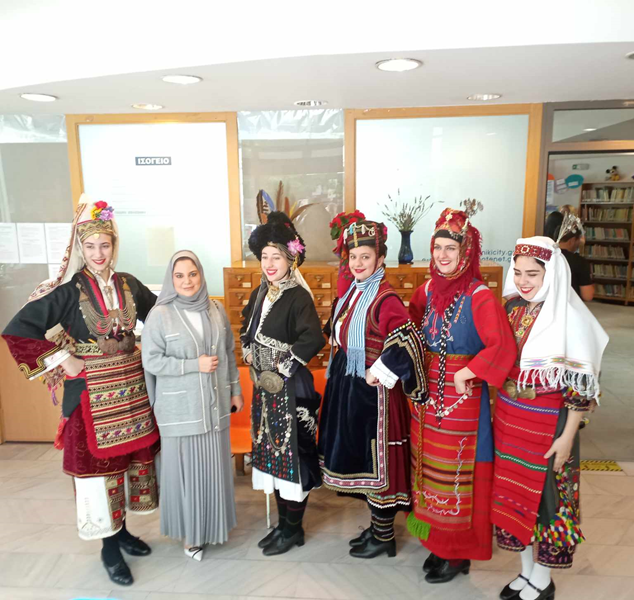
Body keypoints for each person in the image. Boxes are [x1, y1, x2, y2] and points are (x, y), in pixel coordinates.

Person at [2, 197, 160, 586]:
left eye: (104, 245)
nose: (98, 253)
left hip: (131, 392)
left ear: (114, 245)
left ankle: (123, 532)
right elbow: (18, 329)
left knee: (126, 465)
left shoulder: (129, 284)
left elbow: (160, 315)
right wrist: (62, 359)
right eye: (90, 246)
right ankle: (109, 548)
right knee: (97, 474)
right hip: (90, 396)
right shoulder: (70, 291)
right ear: (80, 248)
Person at [492, 236, 608, 600]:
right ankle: (526, 572)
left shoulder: (568, 316)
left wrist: (567, 437)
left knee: (548, 499)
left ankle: (543, 578)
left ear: (551, 274)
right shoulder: (511, 307)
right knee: (513, 494)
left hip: (551, 423)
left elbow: (580, 388)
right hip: (510, 417)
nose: (523, 281)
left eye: (533, 274)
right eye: (518, 272)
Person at [406, 207, 517, 583]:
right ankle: (435, 544)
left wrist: (468, 371)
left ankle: (457, 555)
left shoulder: (480, 295)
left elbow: (501, 345)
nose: (442, 255)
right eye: (437, 248)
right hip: (426, 401)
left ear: (466, 252)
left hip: (461, 400)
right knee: (426, 471)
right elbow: (410, 331)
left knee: (454, 475)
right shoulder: (426, 290)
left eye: (450, 248)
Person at [318, 218, 427, 559]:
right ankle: (376, 529)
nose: (358, 263)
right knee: (363, 461)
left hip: (374, 396)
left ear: (380, 259)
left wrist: (379, 371)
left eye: (365, 257)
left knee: (378, 462)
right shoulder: (355, 292)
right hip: (349, 388)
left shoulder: (384, 298)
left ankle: (384, 537)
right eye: (353, 257)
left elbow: (408, 340)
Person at [141, 250, 243, 561]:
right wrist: (192, 365)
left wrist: (236, 390)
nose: (187, 281)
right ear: (171, 280)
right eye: (179, 276)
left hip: (214, 407)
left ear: (201, 275)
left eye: (192, 274)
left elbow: (228, 352)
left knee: (212, 471)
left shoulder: (216, 309)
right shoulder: (160, 315)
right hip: (180, 411)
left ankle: (211, 528)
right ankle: (190, 536)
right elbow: (152, 361)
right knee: (186, 475)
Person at [240, 211, 325, 556]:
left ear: (291, 259)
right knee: (273, 458)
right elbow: (246, 327)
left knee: (294, 459)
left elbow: (313, 338)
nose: (270, 263)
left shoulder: (298, 296)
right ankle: (283, 526)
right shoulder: (260, 293)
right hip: (265, 391)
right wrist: (248, 350)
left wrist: (283, 367)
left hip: (292, 390)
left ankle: (294, 529)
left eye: (276, 257)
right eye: (265, 257)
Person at [544, 211, 593, 301]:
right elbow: (588, 295)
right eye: (578, 240)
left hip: (545, 303)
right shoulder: (579, 262)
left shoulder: (545, 256)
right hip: (570, 305)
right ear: (572, 240)